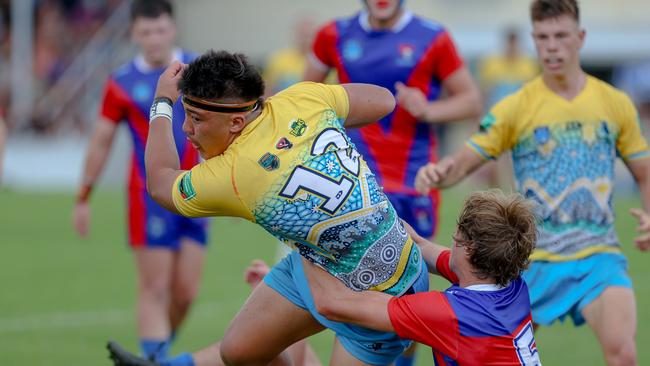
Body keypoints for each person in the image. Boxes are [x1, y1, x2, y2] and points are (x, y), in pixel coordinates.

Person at [108, 50, 429, 366]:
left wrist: (162, 103)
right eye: (185, 115)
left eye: (196, 118)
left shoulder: (235, 174)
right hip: (330, 261)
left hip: (386, 289)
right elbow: (385, 100)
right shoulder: (302, 99)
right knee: (239, 351)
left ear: (236, 122)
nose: (186, 129)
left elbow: (160, 183)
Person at [414, 1, 650, 365]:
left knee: (624, 355)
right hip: (531, 261)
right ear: (534, 40)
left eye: (560, 36)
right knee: (496, 355)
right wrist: (439, 172)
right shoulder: (516, 107)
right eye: (543, 37)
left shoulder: (614, 103)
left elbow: (644, 173)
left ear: (580, 38)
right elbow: (465, 160)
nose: (552, 46)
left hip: (597, 257)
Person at [72, 1, 208, 362]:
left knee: (186, 293)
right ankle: (155, 359)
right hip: (147, 196)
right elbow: (101, 140)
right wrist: (83, 197)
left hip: (198, 192)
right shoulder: (121, 82)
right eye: (146, 32)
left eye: (160, 30)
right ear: (134, 33)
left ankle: (154, 360)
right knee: (155, 288)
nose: (154, 38)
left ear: (172, 29)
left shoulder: (198, 70)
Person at [304, 0, 481, 242]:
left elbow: (471, 101)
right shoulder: (333, 34)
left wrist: (428, 110)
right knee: (359, 271)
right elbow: (304, 100)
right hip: (357, 179)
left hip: (416, 179)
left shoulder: (434, 37)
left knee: (415, 269)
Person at [302, 190, 541, 365]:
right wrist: (370, 207)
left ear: (469, 248)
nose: (452, 237)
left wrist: (302, 235)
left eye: (457, 234)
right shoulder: (510, 283)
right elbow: (419, 244)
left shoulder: (452, 315)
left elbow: (331, 303)